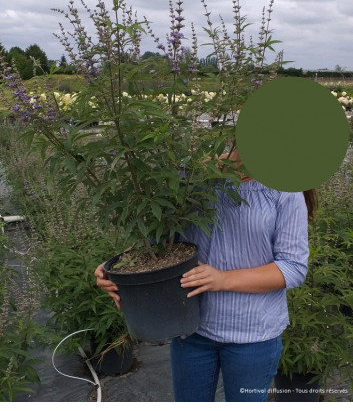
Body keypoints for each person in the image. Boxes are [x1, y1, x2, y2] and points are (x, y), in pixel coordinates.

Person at [94, 149, 317, 402]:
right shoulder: (192, 175)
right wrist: (121, 264)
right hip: (191, 328)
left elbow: (292, 267)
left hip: (253, 336)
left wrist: (223, 279)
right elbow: (161, 240)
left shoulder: (284, 188)